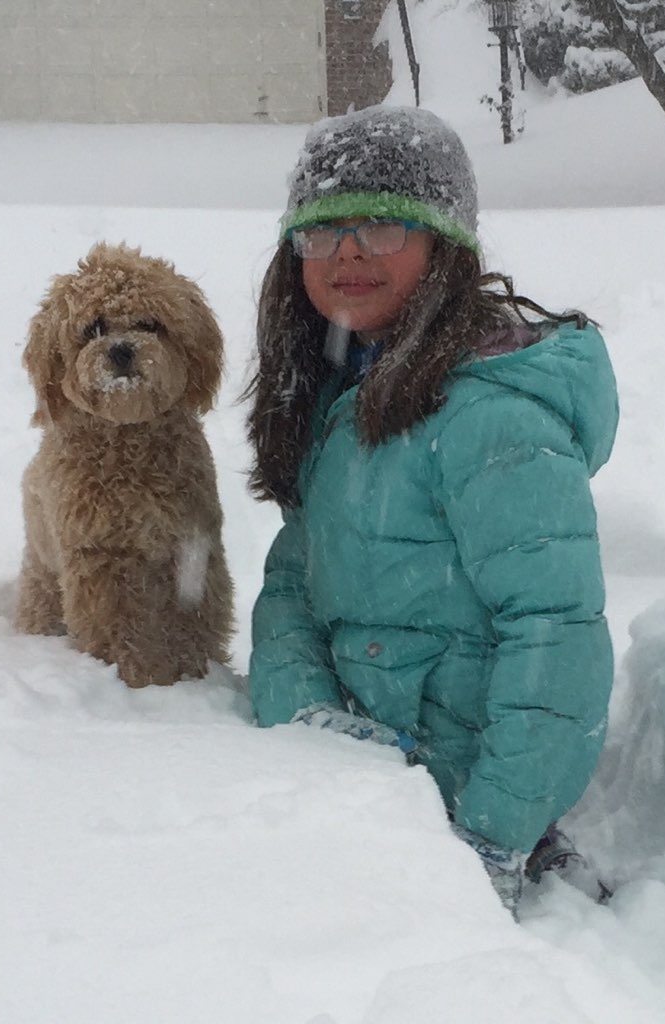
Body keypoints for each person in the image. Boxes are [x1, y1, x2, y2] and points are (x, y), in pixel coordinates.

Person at [244, 105, 618, 912]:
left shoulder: (492, 416)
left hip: (462, 816)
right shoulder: (342, 393)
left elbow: (555, 632)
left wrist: (491, 836)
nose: (347, 250)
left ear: (445, 246)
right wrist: (306, 718)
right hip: (366, 793)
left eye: (382, 224)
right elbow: (292, 591)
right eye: (322, 229)